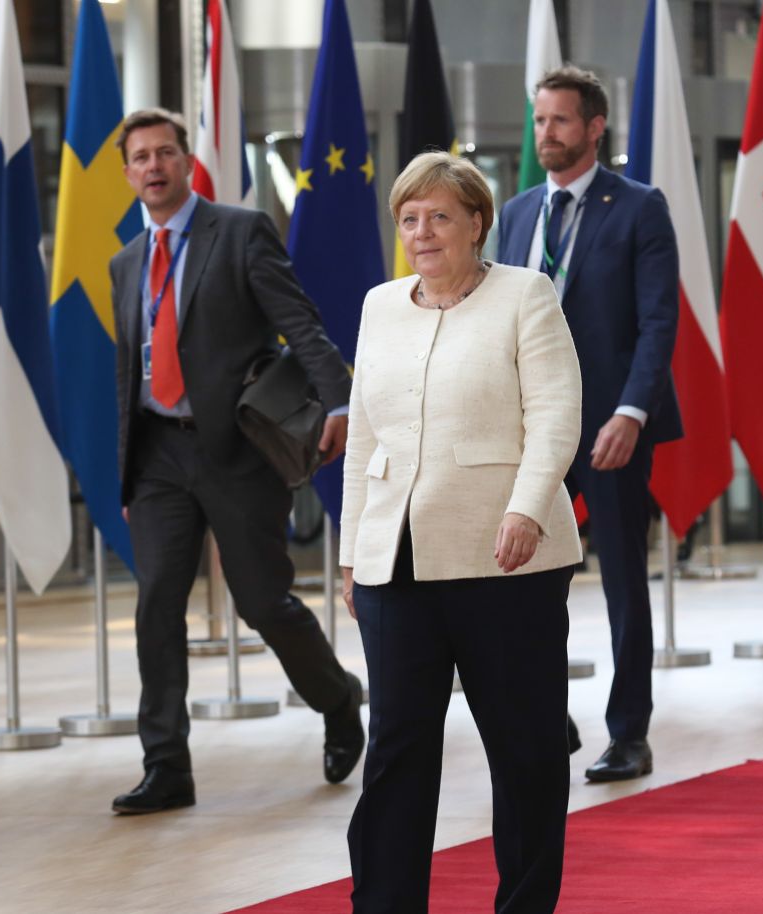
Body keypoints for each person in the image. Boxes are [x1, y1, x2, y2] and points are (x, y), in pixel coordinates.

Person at [340, 151, 583, 913]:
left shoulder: (525, 294)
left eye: (440, 216)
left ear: (478, 222)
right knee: (397, 754)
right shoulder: (380, 304)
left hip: (504, 557)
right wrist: (352, 555)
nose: (423, 232)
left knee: (526, 752)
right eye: (410, 219)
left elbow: (555, 413)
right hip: (396, 565)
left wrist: (526, 506)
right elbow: (362, 442)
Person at [109, 109, 364, 815]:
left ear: (187, 161)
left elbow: (300, 322)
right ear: (127, 173)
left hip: (235, 449)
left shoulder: (239, 231)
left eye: (165, 152)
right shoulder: (125, 263)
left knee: (262, 602)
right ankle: (166, 766)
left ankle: (339, 698)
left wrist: (339, 401)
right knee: (158, 603)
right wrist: (129, 472)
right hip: (159, 455)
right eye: (140, 157)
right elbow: (129, 371)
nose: (153, 166)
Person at [497, 65, 680, 783]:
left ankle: (629, 733)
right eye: (540, 121)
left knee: (623, 584)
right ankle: (550, 716)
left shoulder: (638, 207)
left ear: (595, 127)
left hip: (610, 427)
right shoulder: (514, 215)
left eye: (561, 121)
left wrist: (632, 412)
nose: (547, 134)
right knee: (517, 582)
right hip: (531, 430)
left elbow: (658, 321)